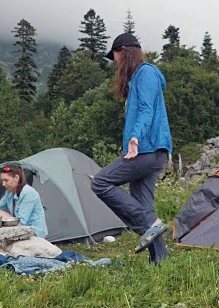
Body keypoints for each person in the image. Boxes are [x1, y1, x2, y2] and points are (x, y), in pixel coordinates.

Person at [91, 33, 172, 264]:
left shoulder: (146, 73)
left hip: (147, 150)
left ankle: (148, 226)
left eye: (114, 55)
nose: (114, 61)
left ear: (123, 51)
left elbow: (146, 110)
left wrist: (135, 136)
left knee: (100, 182)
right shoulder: (137, 78)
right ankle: (160, 262)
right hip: (147, 152)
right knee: (144, 204)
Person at [0, 164, 48, 238]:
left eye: (6, 180)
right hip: (20, 232)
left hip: (34, 233)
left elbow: (21, 223)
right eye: (2, 180)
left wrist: (3, 214)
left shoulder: (29, 193)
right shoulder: (9, 193)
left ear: (16, 178)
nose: (3, 184)